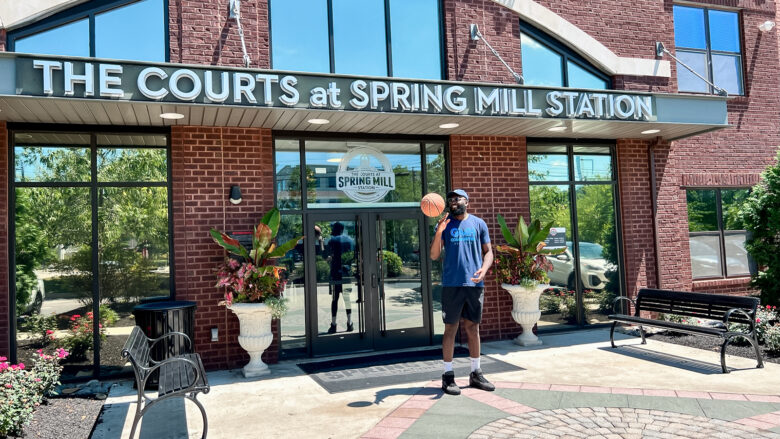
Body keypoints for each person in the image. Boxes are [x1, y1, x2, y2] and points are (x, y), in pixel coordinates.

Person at [430, 189, 495, 395]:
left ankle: (476, 372)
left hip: (474, 285)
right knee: (451, 329)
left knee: (473, 328)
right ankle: (448, 376)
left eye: (457, 199)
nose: (453, 202)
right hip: (452, 285)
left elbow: (489, 252)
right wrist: (440, 230)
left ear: (466, 201)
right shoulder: (445, 225)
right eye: (450, 200)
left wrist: (484, 270)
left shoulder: (478, 224)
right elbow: (434, 255)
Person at [327, 222, 355, 334]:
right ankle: (349, 323)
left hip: (335, 274)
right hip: (346, 273)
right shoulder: (350, 241)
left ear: (336, 229)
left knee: (335, 300)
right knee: (347, 299)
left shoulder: (332, 240)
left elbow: (327, 256)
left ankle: (333, 325)